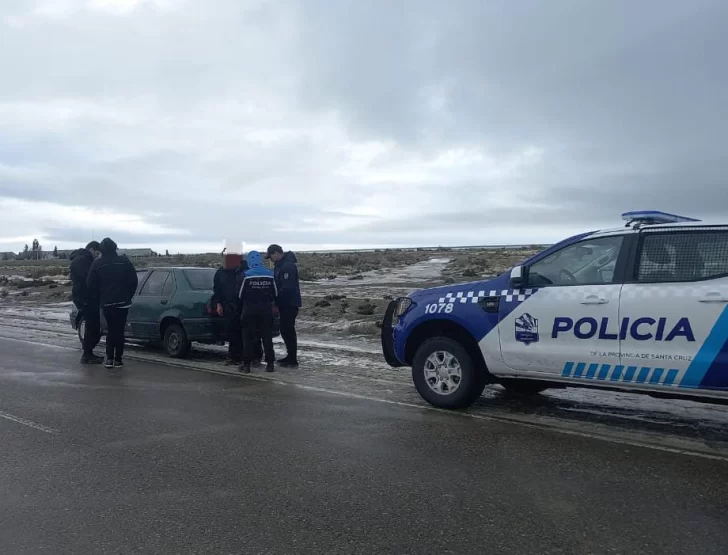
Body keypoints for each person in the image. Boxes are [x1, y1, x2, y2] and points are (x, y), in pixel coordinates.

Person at [87, 238, 138, 369]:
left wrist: (99, 298)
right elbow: (133, 280)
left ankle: (109, 359)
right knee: (119, 330)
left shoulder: (97, 264)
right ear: (115, 248)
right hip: (123, 302)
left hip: (107, 302)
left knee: (110, 330)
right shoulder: (124, 261)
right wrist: (128, 295)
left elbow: (90, 284)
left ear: (102, 250)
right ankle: (118, 359)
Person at [238, 250, 276, 374]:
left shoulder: (246, 275)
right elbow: (275, 293)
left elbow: (240, 294)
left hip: (249, 310)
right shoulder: (270, 274)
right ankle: (270, 364)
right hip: (266, 310)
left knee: (248, 338)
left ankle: (247, 365)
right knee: (267, 338)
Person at [266, 244, 301, 367]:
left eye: (270, 256)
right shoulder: (280, 266)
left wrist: (276, 296)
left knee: (288, 330)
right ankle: (290, 356)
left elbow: (288, 286)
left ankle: (292, 358)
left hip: (289, 303)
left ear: (276, 253)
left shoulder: (288, 266)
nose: (270, 259)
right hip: (283, 303)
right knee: (285, 330)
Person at [70, 241, 103, 364]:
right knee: (91, 325)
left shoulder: (81, 259)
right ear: (91, 250)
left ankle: (88, 352)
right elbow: (88, 279)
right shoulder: (83, 261)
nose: (98, 255)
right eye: (97, 253)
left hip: (83, 297)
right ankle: (87, 354)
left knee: (92, 324)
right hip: (85, 297)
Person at [212, 251, 246, 365]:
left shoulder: (244, 269)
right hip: (229, 305)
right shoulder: (220, 272)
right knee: (232, 332)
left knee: (247, 332)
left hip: (244, 305)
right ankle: (234, 357)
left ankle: (250, 357)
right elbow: (217, 290)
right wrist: (218, 303)